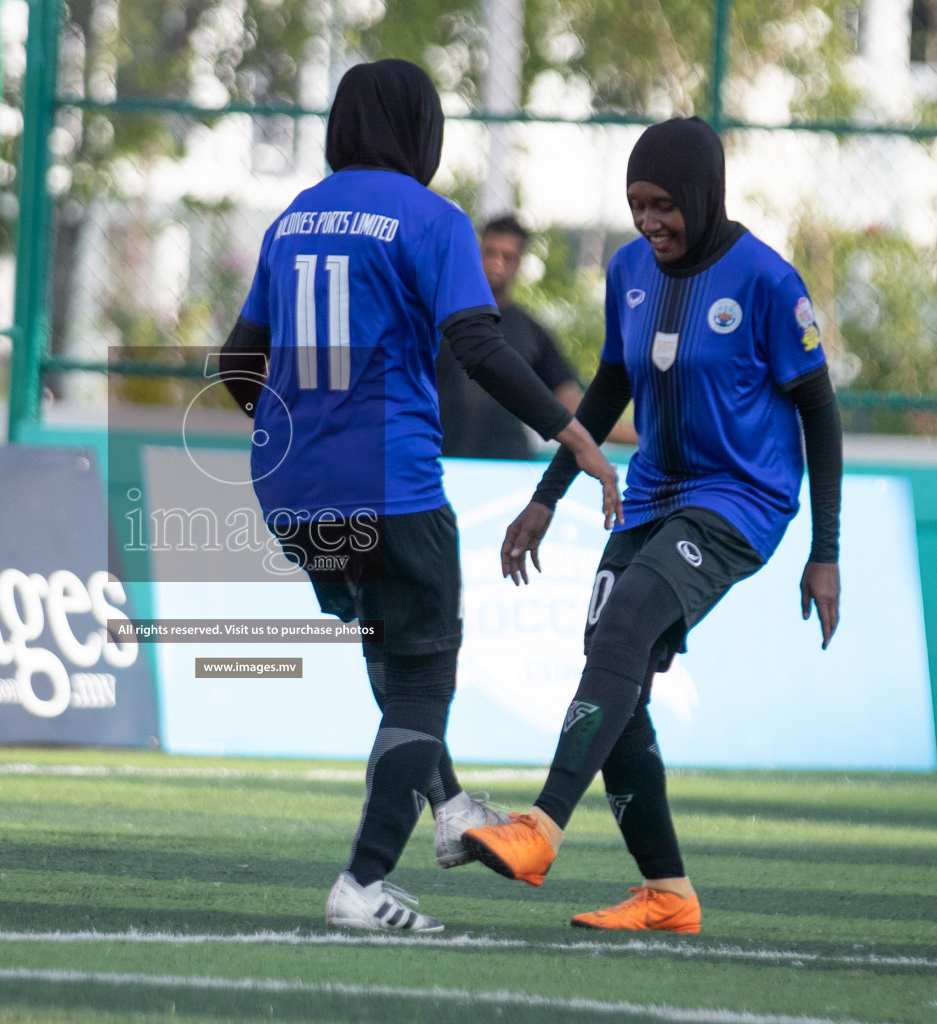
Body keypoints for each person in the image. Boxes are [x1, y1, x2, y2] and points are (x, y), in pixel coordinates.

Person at [218, 59, 622, 933]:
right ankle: (361, 882)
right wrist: (573, 434)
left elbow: (234, 363)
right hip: (389, 480)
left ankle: (447, 807)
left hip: (289, 486)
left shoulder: (293, 217)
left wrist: (298, 427)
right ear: (420, 130)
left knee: (389, 650)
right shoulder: (432, 219)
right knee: (422, 678)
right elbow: (478, 344)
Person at [461, 117, 843, 934]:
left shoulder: (769, 283)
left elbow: (820, 411)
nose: (649, 222)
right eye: (636, 204)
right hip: (654, 493)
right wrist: (547, 494)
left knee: (629, 617)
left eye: (664, 204)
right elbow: (605, 390)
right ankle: (667, 893)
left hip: (741, 499)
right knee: (614, 666)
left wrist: (826, 549)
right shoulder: (630, 270)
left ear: (703, 196)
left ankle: (541, 828)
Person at [436, 215, 636, 458]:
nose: (496, 263)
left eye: (508, 256)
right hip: (442, 459)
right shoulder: (440, 317)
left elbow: (571, 403)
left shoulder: (531, 331)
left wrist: (643, 440)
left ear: (520, 262)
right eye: (490, 252)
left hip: (507, 466)